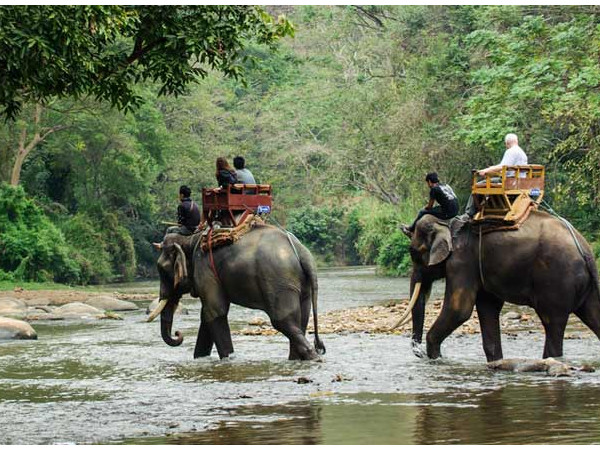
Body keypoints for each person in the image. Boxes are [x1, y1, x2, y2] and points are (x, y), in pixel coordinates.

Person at [465, 133, 528, 217]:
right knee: (490, 181)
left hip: (509, 182)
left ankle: (470, 212)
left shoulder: (511, 151)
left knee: (479, 185)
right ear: (517, 141)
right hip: (520, 181)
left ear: (507, 143)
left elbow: (502, 167)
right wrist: (493, 168)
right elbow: (507, 167)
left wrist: (485, 171)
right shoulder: (521, 152)